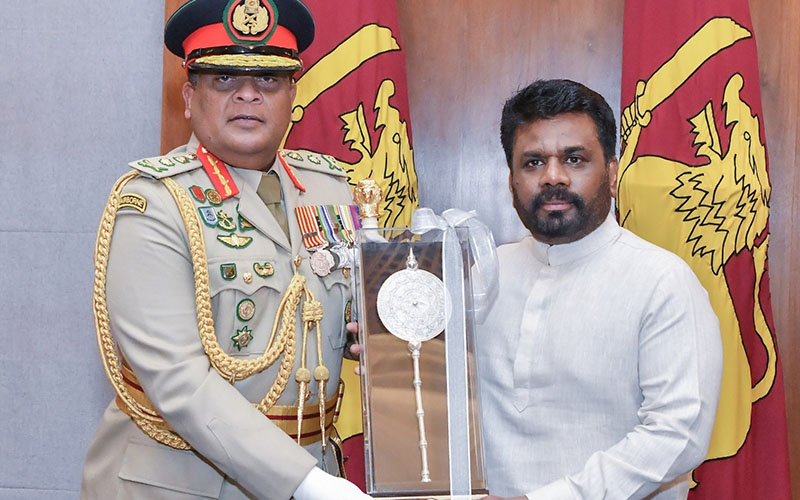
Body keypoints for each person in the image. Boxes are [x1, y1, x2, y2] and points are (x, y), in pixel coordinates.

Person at [81, 1, 371, 499]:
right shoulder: (151, 201)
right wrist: (307, 485)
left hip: (314, 462)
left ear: (292, 96)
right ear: (189, 98)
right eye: (223, 79)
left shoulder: (332, 189)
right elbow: (178, 379)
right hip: (183, 480)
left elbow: (314, 314)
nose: (247, 95)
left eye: (268, 81)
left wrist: (364, 335)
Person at [478, 79, 723, 500]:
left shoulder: (662, 281)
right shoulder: (481, 275)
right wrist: (388, 352)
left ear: (611, 174)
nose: (553, 177)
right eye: (533, 162)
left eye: (574, 159)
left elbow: (676, 433)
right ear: (511, 181)